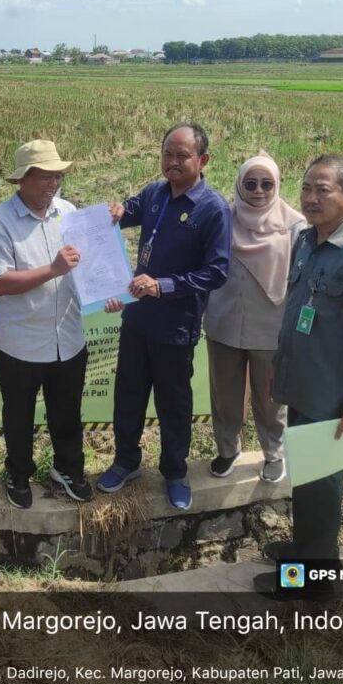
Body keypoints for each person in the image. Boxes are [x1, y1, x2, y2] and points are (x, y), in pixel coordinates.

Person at [254, 154, 343, 594]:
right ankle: (306, 548)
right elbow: (297, 313)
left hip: (334, 396)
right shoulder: (307, 240)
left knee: (321, 486)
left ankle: (310, 585)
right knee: (308, 479)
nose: (311, 199)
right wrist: (281, 370)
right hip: (304, 385)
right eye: (307, 189)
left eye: (324, 190)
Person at [97, 123, 232, 511]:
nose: (172, 163)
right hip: (137, 321)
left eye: (182, 156)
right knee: (128, 395)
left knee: (174, 404)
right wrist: (116, 212)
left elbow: (218, 271)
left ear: (203, 160)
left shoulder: (212, 209)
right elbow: (130, 212)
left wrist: (163, 285)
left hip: (176, 326)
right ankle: (126, 461)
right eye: (167, 154)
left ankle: (175, 471)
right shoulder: (155, 194)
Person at [0, 139, 90, 509]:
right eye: (46, 176)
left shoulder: (69, 212)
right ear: (23, 179)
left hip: (69, 338)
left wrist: (107, 292)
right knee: (18, 416)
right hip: (21, 345)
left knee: (67, 412)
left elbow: (84, 268)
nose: (54, 183)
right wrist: (52, 269)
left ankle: (68, 469)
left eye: (58, 175)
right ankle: (18, 474)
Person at [204, 152, 306, 483]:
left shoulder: (295, 226)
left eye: (267, 183)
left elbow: (302, 279)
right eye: (250, 183)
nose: (258, 190)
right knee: (225, 395)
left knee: (271, 399)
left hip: (271, 327)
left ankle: (273, 454)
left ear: (277, 185)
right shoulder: (222, 218)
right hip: (224, 319)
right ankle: (227, 449)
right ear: (239, 184)